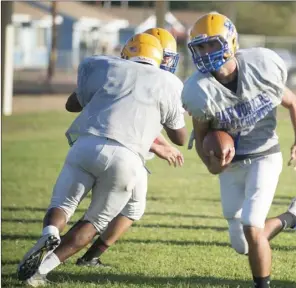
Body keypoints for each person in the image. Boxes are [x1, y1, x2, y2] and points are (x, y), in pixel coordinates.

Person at [17, 33, 187, 286]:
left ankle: (50, 232)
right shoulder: (169, 82)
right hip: (127, 160)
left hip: (87, 144)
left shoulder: (105, 67)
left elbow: (72, 105)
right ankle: (41, 271)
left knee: (63, 204)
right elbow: (181, 138)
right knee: (94, 222)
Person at [181, 12, 296, 288]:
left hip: (265, 155)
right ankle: (293, 216)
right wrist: (213, 165)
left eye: (213, 44)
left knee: (253, 226)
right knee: (243, 244)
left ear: (231, 42)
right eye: (201, 46)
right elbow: (201, 137)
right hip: (231, 165)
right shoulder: (199, 90)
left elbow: (294, 104)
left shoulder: (261, 68)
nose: (207, 52)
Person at [75, 27, 184, 268]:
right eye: (164, 56)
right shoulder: (151, 78)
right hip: (121, 150)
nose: (166, 62)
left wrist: (162, 145)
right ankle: (68, 252)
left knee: (74, 202)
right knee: (114, 209)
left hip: (94, 145)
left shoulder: (121, 70)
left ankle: (62, 246)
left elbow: (146, 124)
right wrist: (160, 147)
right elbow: (132, 124)